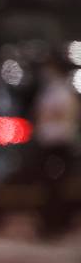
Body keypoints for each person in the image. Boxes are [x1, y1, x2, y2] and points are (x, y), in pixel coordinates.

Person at [32, 53, 80, 237]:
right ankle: (48, 221)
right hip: (46, 143)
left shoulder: (64, 92)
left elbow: (64, 117)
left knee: (57, 186)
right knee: (47, 186)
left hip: (60, 144)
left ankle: (57, 222)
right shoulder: (48, 91)